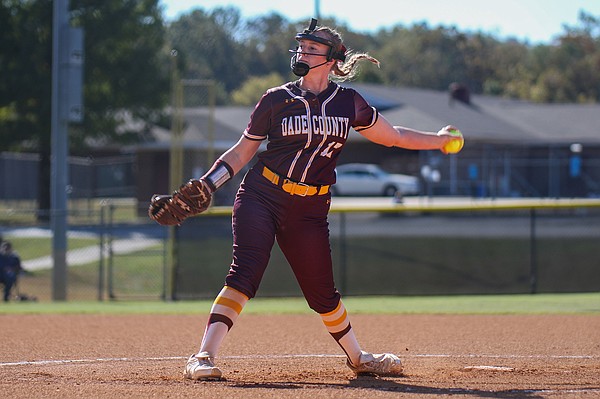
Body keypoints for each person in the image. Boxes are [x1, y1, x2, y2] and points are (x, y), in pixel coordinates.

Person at [158, 18, 463, 380]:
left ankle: (358, 358)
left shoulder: (348, 103)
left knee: (322, 293)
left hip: (310, 210)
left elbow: (393, 136)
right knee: (245, 274)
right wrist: (210, 183)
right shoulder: (275, 99)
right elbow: (242, 152)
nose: (302, 52)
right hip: (262, 195)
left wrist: (440, 140)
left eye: (312, 49)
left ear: (333, 59)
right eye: (301, 47)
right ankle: (203, 357)